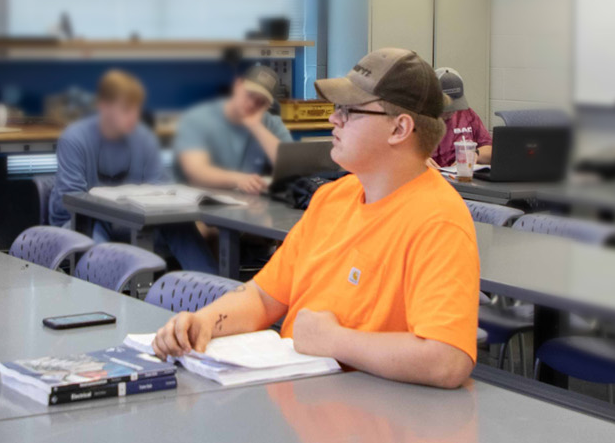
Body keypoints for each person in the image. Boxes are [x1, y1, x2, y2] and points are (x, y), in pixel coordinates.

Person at [152, 48, 479, 389]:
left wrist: (334, 340)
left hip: (364, 415)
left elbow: (447, 360)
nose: (333, 120)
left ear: (399, 128)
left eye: (349, 111)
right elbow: (263, 298)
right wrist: (204, 322)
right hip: (300, 400)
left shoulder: (438, 221)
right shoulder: (331, 199)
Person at [48, 70, 167, 230]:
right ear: (104, 106)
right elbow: (70, 201)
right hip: (80, 221)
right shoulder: (74, 138)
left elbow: (160, 188)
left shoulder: (145, 138)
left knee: (179, 229)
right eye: (126, 109)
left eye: (137, 109)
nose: (134, 117)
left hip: (131, 221)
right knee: (96, 229)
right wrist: (117, 213)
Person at [173, 65, 294, 195]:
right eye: (250, 94)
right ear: (237, 85)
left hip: (252, 205)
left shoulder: (271, 123)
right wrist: (238, 179)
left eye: (261, 102)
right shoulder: (198, 118)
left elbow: (291, 167)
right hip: (203, 203)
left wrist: (256, 126)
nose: (252, 103)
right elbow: (196, 172)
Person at [430, 67, 493, 168]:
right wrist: (417, 160)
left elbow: (490, 150)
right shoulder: (417, 119)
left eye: (455, 106)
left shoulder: (467, 115)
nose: (452, 111)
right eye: (446, 107)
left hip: (460, 176)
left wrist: (475, 154)